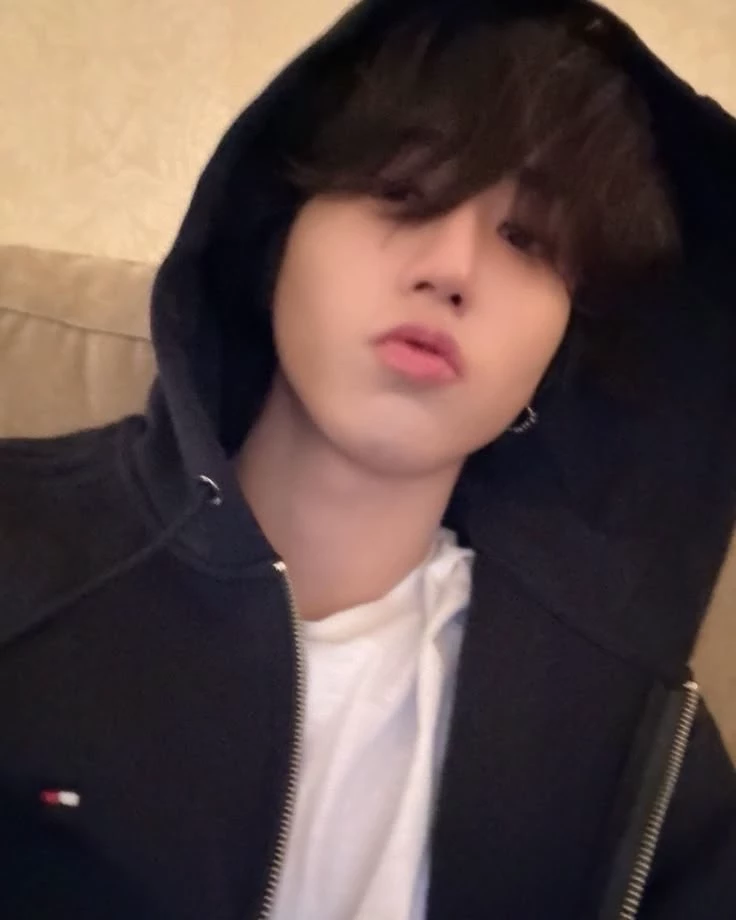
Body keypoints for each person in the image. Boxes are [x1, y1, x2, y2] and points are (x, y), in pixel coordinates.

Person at [0, 0, 734, 917]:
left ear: (561, 350)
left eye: (528, 239)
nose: (452, 268)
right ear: (276, 236)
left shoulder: (637, 741)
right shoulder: (20, 546)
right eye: (403, 190)